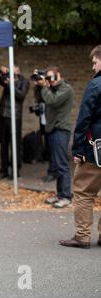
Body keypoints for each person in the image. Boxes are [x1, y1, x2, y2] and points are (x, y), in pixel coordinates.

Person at [60, 45, 101, 249]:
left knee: (84, 192)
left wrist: (78, 150)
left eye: (95, 62)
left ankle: (82, 236)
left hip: (95, 150)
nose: (93, 67)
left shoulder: (95, 85)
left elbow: (84, 119)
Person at [35, 66, 75, 208]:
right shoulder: (50, 89)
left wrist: (45, 87)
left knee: (62, 164)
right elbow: (41, 99)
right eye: (47, 78)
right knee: (56, 164)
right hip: (51, 129)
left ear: (58, 76)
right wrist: (39, 84)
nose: (49, 81)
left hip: (60, 130)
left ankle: (66, 196)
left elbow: (53, 101)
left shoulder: (66, 89)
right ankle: (60, 194)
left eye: (51, 77)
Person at [0, 65, 29, 180]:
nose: (11, 73)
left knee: (15, 144)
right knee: (3, 143)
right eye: (10, 71)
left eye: (14, 71)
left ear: (18, 71)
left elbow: (21, 96)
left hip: (15, 116)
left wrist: (11, 84)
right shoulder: (6, 79)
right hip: (3, 114)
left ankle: (15, 170)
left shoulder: (24, 82)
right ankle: (4, 170)